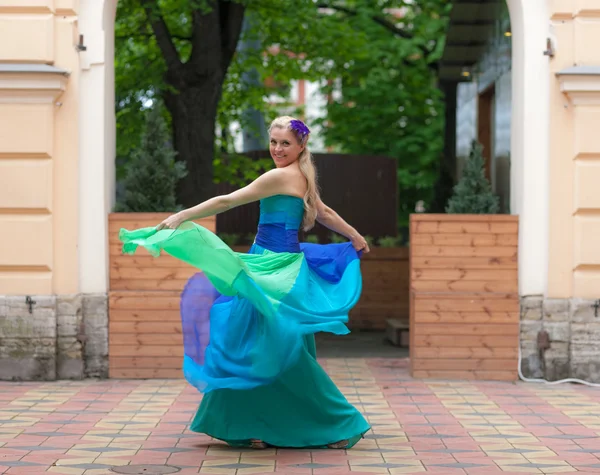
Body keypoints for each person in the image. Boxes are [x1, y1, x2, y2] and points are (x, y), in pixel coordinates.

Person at [119, 115, 371, 450]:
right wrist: (355, 237)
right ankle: (250, 424)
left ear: (301, 146)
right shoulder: (301, 175)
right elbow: (323, 212)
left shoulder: (279, 176)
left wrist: (181, 216)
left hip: (272, 270)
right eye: (274, 142)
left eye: (285, 143)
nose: (278, 149)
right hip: (282, 268)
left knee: (266, 348)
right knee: (258, 343)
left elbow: (227, 201)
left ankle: (338, 423)